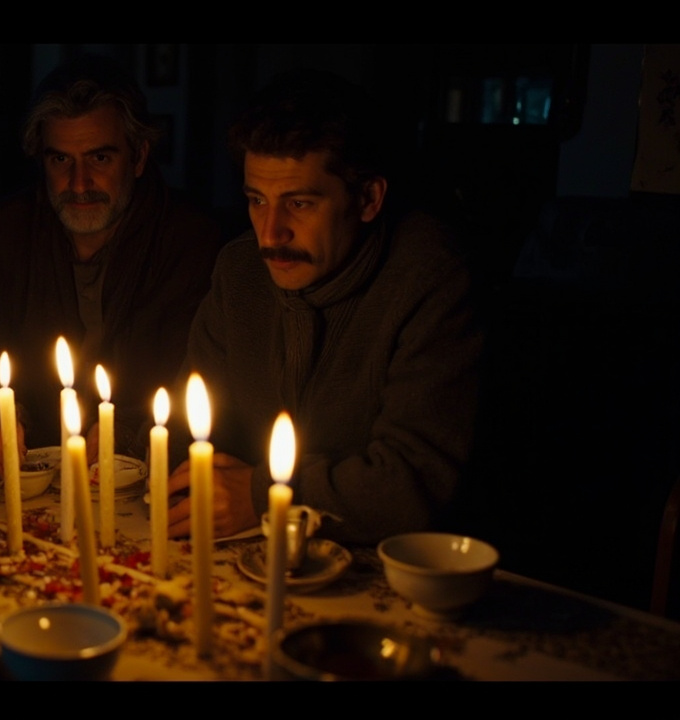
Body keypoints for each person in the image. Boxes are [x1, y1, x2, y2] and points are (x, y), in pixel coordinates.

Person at [166, 69, 483, 545]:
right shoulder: (239, 270)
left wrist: (263, 494)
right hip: (251, 557)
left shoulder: (429, 277)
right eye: (256, 200)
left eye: (299, 204)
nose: (270, 234)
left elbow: (410, 483)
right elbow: (190, 426)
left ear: (368, 199)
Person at [0, 54, 222, 469]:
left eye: (100, 158)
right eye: (61, 160)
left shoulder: (190, 241)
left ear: (138, 157)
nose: (79, 184)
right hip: (26, 475)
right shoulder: (6, 233)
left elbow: (203, 380)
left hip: (147, 480)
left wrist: (130, 432)